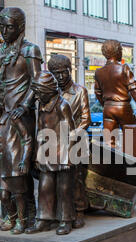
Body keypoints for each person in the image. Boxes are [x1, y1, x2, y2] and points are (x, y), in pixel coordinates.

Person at [0, 7, 42, 233]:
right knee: (1, 166)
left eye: (9, 27)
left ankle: (29, 214)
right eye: (2, 26)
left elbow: (37, 83)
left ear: (21, 27)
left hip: (20, 117)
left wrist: (25, 104)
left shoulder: (30, 51)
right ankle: (9, 214)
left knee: (20, 168)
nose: (4, 31)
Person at [25, 71, 76, 236]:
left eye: (39, 93)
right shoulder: (42, 105)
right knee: (44, 187)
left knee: (64, 189)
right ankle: (44, 219)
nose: (37, 97)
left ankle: (66, 220)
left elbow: (71, 132)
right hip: (47, 152)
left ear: (48, 91)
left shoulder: (62, 105)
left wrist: (68, 157)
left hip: (62, 153)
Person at [48, 54, 91, 229]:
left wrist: (73, 135)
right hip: (54, 142)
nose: (59, 77)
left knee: (76, 179)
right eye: (55, 73)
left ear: (69, 70)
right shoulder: (51, 92)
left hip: (76, 141)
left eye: (63, 73)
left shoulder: (80, 91)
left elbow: (86, 118)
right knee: (55, 179)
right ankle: (59, 212)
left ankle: (79, 210)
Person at [0, 100, 32, 235]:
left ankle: (22, 220)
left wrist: (25, 160)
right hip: (4, 166)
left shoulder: (12, 118)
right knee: (4, 196)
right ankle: (12, 218)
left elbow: (27, 139)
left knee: (18, 194)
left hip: (15, 163)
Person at [94, 40, 136, 148]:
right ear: (117, 52)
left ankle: (112, 164)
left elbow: (97, 93)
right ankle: (130, 163)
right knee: (131, 139)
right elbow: (133, 90)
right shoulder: (124, 68)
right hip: (123, 108)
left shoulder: (99, 72)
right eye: (121, 50)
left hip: (108, 109)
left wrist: (106, 105)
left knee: (110, 143)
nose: (122, 53)